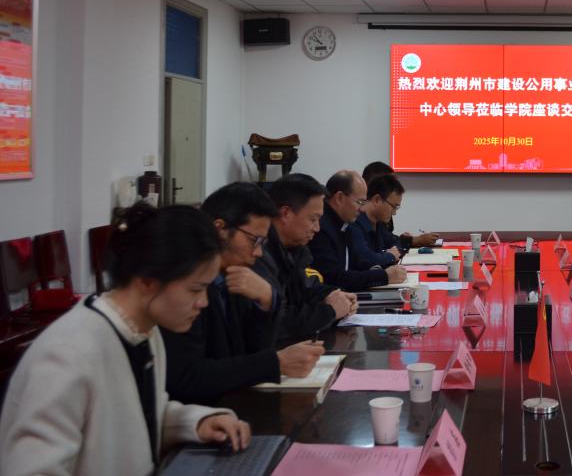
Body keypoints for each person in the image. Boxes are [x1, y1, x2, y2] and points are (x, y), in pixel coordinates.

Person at [0, 203, 251, 476]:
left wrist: (197, 422)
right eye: (195, 289)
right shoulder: (67, 355)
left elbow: (140, 415)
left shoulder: (143, 331)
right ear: (147, 281)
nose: (203, 302)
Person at [163, 182, 325, 405]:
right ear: (220, 229)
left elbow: (251, 352)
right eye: (254, 240)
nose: (258, 253)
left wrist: (267, 301)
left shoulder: (234, 274)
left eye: (263, 243)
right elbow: (187, 377)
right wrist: (275, 363)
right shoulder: (184, 284)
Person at [254, 174, 358, 342]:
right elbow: (278, 321)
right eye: (313, 219)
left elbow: (307, 288)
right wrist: (329, 311)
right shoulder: (258, 255)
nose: (317, 228)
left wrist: (333, 295)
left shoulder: (295, 250)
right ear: (285, 213)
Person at [309, 170, 408, 290]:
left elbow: (359, 263)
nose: (362, 209)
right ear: (339, 198)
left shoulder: (344, 224)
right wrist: (384, 275)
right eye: (360, 202)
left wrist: (380, 269)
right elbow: (334, 278)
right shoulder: (322, 228)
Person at [361, 161, 438, 248]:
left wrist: (406, 240)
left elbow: (389, 240)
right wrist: (414, 240)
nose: (394, 186)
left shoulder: (381, 214)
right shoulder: (358, 218)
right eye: (390, 183)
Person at [347, 174, 412, 270]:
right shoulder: (354, 223)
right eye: (394, 207)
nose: (394, 213)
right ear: (377, 200)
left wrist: (385, 255)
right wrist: (389, 256)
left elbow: (397, 243)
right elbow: (364, 259)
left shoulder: (378, 223)